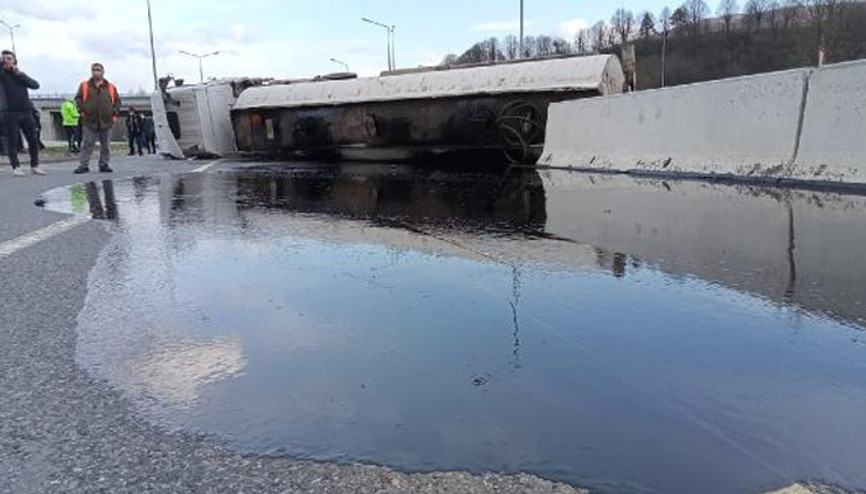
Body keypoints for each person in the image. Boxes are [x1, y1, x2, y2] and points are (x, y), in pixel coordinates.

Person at [0, 50, 43, 176]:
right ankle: (16, 167)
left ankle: (35, 165)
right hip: (9, 112)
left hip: (26, 111)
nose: (6, 60)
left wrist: (18, 73)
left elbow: (35, 85)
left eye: (9, 58)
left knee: (33, 140)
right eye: (4, 58)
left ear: (15, 61)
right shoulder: (2, 74)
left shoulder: (19, 75)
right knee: (13, 141)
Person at [74, 62, 120, 174]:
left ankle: (104, 164)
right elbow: (78, 99)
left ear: (103, 71)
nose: (96, 72)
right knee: (87, 144)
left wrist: (114, 112)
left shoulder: (111, 87)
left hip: (106, 120)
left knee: (105, 145)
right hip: (89, 120)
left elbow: (117, 102)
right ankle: (83, 165)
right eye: (94, 70)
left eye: (98, 69)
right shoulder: (84, 85)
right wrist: (83, 109)